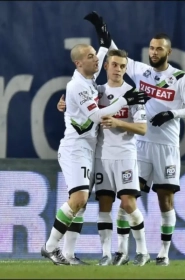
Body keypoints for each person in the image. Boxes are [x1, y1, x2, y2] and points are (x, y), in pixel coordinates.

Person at [84, 11, 185, 266]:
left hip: (167, 147)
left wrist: (172, 112)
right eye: (151, 48)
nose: (154, 52)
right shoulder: (142, 71)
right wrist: (102, 30)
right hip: (141, 146)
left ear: (168, 53)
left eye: (159, 49)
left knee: (165, 200)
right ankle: (123, 251)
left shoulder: (180, 78)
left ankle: (163, 253)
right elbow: (116, 54)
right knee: (128, 199)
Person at [41, 42, 150, 266]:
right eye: (92, 57)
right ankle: (51, 247)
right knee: (81, 199)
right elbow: (96, 117)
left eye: (122, 65)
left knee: (85, 203)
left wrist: (103, 43)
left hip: (100, 152)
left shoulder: (92, 84)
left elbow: (142, 127)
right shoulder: (81, 86)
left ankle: (69, 255)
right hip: (77, 148)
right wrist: (122, 103)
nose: (98, 60)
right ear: (79, 63)